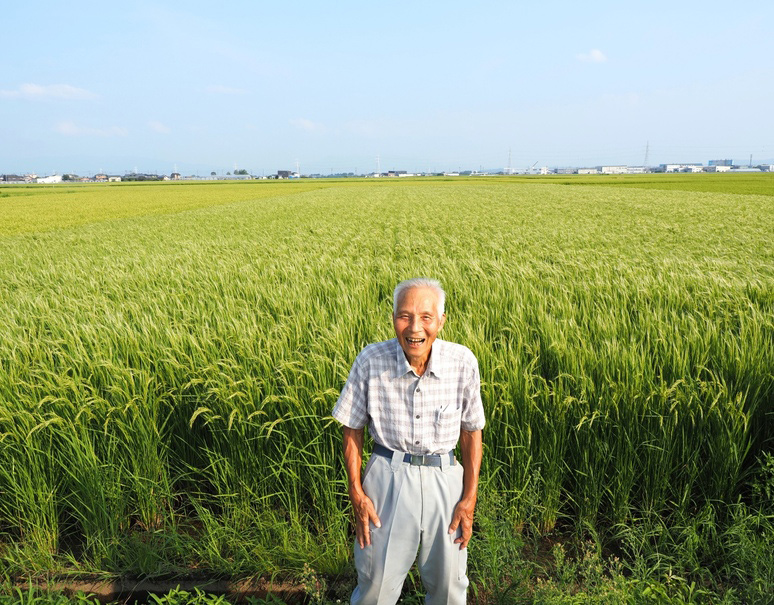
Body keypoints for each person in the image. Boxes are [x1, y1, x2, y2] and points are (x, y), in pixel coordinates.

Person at [333, 277, 485, 605]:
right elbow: (351, 428)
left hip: (445, 481)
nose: (415, 327)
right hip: (387, 478)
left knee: (449, 589)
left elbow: (472, 433)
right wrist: (357, 493)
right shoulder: (371, 360)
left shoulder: (462, 363)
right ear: (393, 318)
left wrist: (469, 499)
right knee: (376, 587)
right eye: (405, 315)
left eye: (426, 317)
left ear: (442, 321)